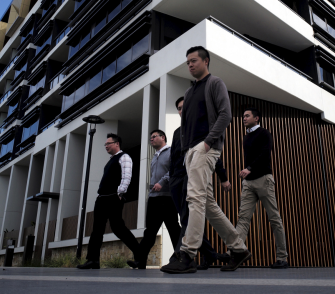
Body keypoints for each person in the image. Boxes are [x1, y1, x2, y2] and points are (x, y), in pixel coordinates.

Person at [161, 46, 251, 274]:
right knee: (208, 205)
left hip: (205, 148)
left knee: (195, 199)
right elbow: (185, 127)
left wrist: (209, 142)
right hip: (191, 153)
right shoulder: (190, 93)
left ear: (206, 61)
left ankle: (188, 254)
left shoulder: (215, 83)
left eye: (193, 61)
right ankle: (238, 249)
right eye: (187, 62)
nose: (190, 65)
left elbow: (225, 114)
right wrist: (187, 153)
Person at [169, 96, 231, 269]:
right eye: (179, 108)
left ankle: (179, 256)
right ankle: (211, 254)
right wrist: (172, 177)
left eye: (184, 107)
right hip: (176, 180)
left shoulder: (200, 129)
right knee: (185, 219)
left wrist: (223, 178)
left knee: (188, 218)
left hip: (192, 177)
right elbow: (173, 157)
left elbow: (213, 155)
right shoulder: (176, 132)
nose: (182, 110)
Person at [234, 107, 289, 269]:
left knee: (274, 218)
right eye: (243, 116)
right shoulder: (245, 137)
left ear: (256, 118)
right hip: (248, 183)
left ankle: (282, 258)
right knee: (243, 219)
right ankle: (236, 254)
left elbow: (265, 152)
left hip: (264, 179)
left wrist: (249, 168)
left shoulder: (265, 133)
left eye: (247, 116)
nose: (243, 118)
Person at [77, 133, 141, 269]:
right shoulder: (110, 160)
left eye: (108, 144)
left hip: (113, 198)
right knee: (97, 230)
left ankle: (140, 255)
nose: (106, 146)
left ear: (117, 144)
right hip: (102, 199)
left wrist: (120, 193)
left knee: (118, 228)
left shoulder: (124, 157)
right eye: (105, 144)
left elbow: (127, 176)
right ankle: (93, 260)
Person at [127, 129, 181, 269]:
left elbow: (174, 170)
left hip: (167, 198)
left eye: (154, 137)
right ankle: (140, 261)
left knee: (174, 230)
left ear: (162, 137)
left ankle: (180, 259)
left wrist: (162, 182)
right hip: (154, 198)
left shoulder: (170, 151)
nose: (151, 139)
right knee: (149, 232)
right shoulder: (155, 156)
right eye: (150, 137)